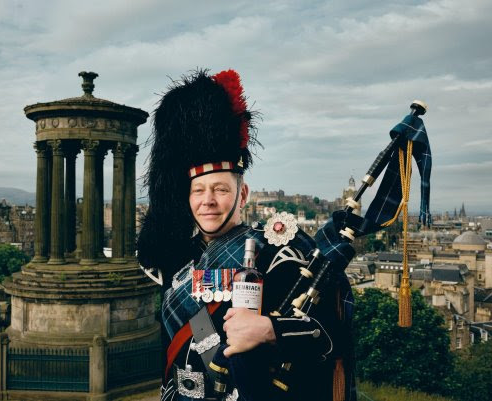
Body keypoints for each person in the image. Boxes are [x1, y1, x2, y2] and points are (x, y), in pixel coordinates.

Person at [137, 69, 356, 401]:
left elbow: (331, 334)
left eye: (221, 189)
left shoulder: (281, 248)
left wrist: (271, 331)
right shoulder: (174, 257)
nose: (208, 200)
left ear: (243, 194)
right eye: (198, 191)